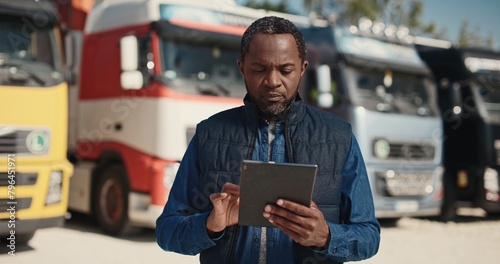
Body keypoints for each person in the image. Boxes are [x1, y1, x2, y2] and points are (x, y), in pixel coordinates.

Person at [156, 16, 380, 264]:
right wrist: (209, 225)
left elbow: (369, 236)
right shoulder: (209, 134)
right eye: (259, 69)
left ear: (303, 68)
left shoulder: (339, 137)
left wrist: (326, 236)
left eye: (286, 70)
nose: (273, 81)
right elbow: (167, 232)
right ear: (241, 67)